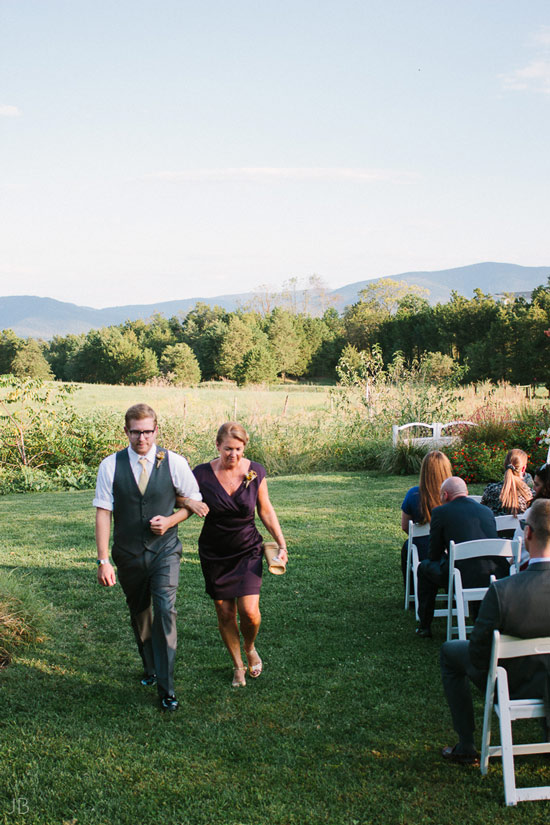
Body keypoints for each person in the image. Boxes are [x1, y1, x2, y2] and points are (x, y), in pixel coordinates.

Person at [94, 403, 208, 712]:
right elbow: (103, 513)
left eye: (147, 431)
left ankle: (167, 688)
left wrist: (170, 521)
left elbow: (194, 502)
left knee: (165, 611)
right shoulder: (110, 466)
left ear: (156, 430)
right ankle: (149, 665)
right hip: (128, 554)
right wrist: (103, 560)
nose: (142, 438)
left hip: (165, 552)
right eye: (136, 432)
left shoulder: (174, 462)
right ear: (126, 432)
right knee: (140, 612)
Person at [439, 498, 550, 763]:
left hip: (514, 684)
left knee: (450, 651)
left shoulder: (502, 591)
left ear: (528, 532)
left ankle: (466, 746)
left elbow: (479, 653)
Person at [192, 422, 288, 687]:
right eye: (227, 449)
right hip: (214, 553)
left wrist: (282, 544)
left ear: (244, 448)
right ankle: (237, 665)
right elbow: (178, 496)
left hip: (248, 549)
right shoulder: (200, 473)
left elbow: (265, 510)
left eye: (238, 449)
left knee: (250, 613)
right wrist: (188, 501)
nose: (232, 455)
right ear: (217, 446)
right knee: (224, 613)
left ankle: (249, 646)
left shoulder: (255, 471)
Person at [416, 477, 505, 638]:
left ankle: (425, 625)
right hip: (493, 574)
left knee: (424, 568)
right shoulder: (486, 511)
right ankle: (479, 619)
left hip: (460, 577)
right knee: (473, 565)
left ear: (445, 495)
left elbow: (433, 554)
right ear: (467, 492)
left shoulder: (440, 512)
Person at [400, 451, 453, 585]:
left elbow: (405, 526)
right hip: (450, 550)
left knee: (407, 547)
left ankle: (412, 590)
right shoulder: (455, 494)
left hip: (423, 550)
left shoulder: (413, 494)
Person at [480, 448, 532, 516]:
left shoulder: (490, 490)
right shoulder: (529, 495)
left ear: (505, 465)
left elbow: (482, 512)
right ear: (523, 468)